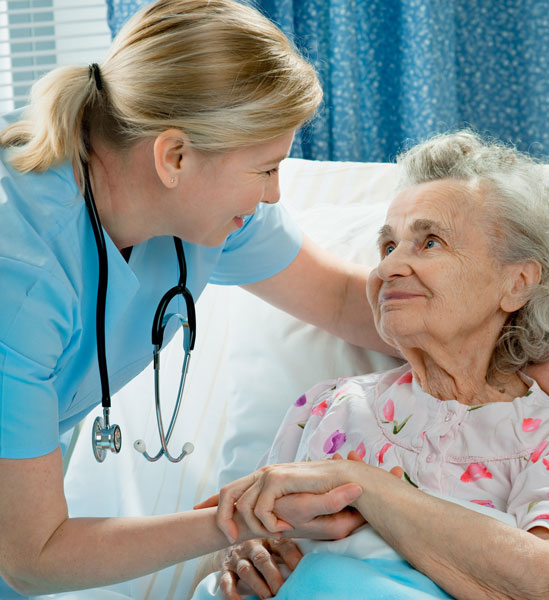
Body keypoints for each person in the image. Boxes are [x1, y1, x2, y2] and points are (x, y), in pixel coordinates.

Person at [0, 0, 390, 595]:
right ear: (174, 156)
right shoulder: (21, 276)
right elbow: (32, 556)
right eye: (265, 170)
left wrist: (512, 352)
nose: (274, 194)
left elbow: (340, 301)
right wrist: (240, 517)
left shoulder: (203, 211)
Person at [205, 132, 549, 599]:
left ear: (517, 284)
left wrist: (362, 484)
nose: (389, 268)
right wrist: (242, 557)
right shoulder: (329, 406)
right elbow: (238, 540)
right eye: (388, 247)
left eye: (430, 242)